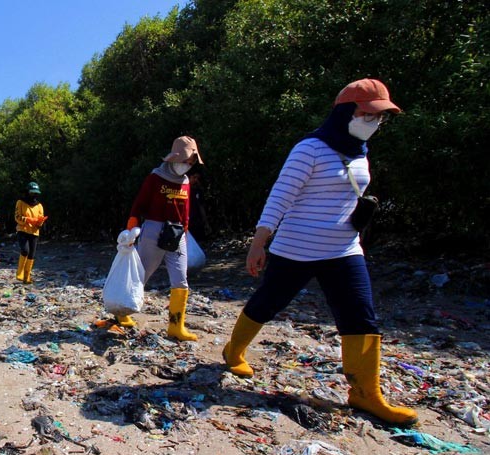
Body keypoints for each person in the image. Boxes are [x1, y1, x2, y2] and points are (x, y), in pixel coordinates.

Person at [221, 79, 417, 425]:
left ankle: (365, 394)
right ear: (345, 112)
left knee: (360, 315)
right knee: (267, 303)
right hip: (295, 248)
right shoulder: (309, 149)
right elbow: (280, 196)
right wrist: (258, 243)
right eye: (367, 114)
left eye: (379, 117)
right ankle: (233, 351)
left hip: (343, 249)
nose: (374, 122)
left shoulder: (359, 152)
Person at [125, 135, 203, 341]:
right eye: (186, 161)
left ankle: (176, 326)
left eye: (191, 162)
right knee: (142, 274)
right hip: (154, 229)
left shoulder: (185, 181)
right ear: (174, 158)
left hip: (177, 234)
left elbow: (186, 211)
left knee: (181, 280)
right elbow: (140, 202)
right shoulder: (155, 177)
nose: (188, 166)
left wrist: (185, 230)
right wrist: (133, 223)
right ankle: (121, 313)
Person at [14, 182, 47, 283]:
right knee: (25, 250)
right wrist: (28, 220)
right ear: (27, 192)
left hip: (34, 232)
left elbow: (40, 220)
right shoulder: (20, 202)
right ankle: (19, 273)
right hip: (22, 230)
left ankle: (26, 277)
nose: (34, 195)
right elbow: (17, 217)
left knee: (32, 254)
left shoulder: (39, 206)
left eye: (36, 193)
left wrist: (40, 222)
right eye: (32, 193)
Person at [187, 167, 211, 243]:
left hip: (197, 221)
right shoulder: (184, 190)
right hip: (187, 221)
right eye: (194, 177)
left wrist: (206, 222)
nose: (196, 180)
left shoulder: (198, 190)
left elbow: (201, 206)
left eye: (197, 178)